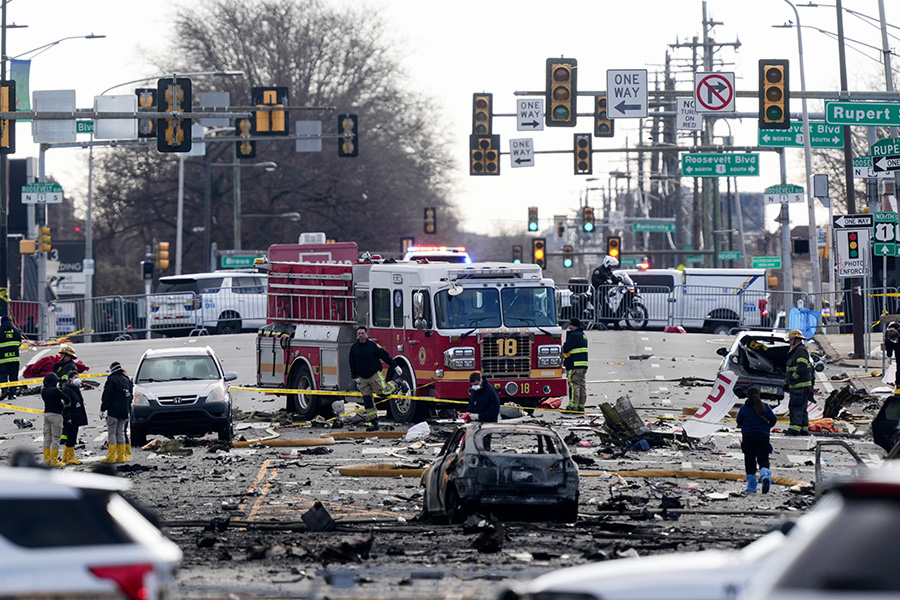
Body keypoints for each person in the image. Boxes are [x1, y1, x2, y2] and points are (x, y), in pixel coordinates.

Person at [349, 326, 410, 431]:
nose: (360, 336)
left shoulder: (372, 346)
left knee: (382, 392)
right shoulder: (354, 348)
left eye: (362, 333)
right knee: (368, 400)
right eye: (359, 334)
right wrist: (354, 377)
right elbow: (352, 363)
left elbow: (384, 356)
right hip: (362, 378)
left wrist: (395, 366)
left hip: (374, 374)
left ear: (366, 334)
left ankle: (398, 384)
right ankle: (374, 422)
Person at [736, 386, 778, 494]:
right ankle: (765, 476)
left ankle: (751, 487)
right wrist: (766, 427)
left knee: (749, 461)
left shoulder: (744, 408)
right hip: (762, 436)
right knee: (763, 459)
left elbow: (739, 421)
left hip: (748, 437)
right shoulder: (765, 407)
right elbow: (773, 420)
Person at [100, 362, 132, 464]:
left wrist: (103, 409)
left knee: (112, 433)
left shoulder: (111, 380)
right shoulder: (126, 379)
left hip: (113, 411)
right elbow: (130, 395)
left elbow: (107, 396)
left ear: (112, 369)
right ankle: (121, 456)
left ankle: (111, 456)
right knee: (121, 432)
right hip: (124, 411)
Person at [785, 329, 814, 436]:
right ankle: (803, 429)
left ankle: (794, 429)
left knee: (795, 408)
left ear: (796, 340)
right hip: (800, 386)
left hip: (799, 386)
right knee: (802, 409)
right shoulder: (796, 350)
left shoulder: (800, 351)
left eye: (790, 339)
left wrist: (793, 378)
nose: (789, 342)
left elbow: (801, 368)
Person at [59, 372, 88, 465]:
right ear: (70, 379)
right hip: (71, 417)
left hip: (76, 416)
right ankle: (68, 457)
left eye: (78, 377)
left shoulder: (75, 388)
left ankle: (67, 457)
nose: (77, 379)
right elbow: (66, 405)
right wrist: (67, 418)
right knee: (71, 437)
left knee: (73, 436)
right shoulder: (67, 389)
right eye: (75, 377)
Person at [563, 317, 589, 414]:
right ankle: (580, 406)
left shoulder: (574, 335)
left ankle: (572, 406)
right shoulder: (583, 335)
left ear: (575, 326)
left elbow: (566, 347)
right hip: (583, 365)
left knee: (574, 385)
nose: (569, 327)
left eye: (571, 325)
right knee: (582, 385)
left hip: (574, 365)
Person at [40, 372, 65, 467]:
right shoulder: (55, 390)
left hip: (46, 414)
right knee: (56, 438)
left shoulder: (43, 390)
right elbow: (66, 398)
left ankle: (46, 460)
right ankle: (54, 460)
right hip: (56, 415)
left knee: (47, 438)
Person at [23, 344, 89, 379]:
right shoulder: (62, 364)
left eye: (62, 354)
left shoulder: (69, 367)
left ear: (68, 356)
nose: (61, 356)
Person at [0, 315, 22, 401]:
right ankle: (12, 394)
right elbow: (19, 343)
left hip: (2, 359)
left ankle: (5, 390)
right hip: (14, 359)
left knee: (2, 375)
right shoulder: (16, 331)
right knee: (14, 376)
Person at [885, 322, 900, 392]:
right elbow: (888, 347)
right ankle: (898, 385)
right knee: (899, 368)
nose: (895, 340)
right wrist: (889, 356)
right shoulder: (888, 338)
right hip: (898, 352)